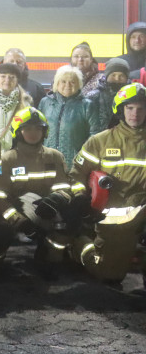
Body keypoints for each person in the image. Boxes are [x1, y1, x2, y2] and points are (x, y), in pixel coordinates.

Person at [70, 83, 146, 287]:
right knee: (109, 275)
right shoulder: (100, 141)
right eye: (130, 108)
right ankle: (79, 245)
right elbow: (76, 174)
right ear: (120, 110)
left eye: (141, 108)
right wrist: (80, 198)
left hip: (142, 210)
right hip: (114, 216)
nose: (135, 114)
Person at [0, 107, 73, 276]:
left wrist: (56, 199)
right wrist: (19, 221)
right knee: (2, 231)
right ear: (18, 132)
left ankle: (49, 258)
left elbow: (64, 186)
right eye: (27, 129)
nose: (33, 133)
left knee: (64, 222)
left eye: (38, 129)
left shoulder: (55, 157)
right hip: (13, 209)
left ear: (44, 132)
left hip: (46, 207)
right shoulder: (7, 159)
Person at [40, 65, 100, 170]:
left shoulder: (87, 105)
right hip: (46, 161)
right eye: (63, 81)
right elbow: (38, 130)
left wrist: (83, 157)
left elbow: (95, 135)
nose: (67, 85)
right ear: (56, 83)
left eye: (72, 82)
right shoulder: (45, 102)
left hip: (75, 163)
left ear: (79, 84)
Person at [0, 62, 33, 151]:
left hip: (17, 152)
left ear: (17, 80)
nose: (7, 80)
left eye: (12, 77)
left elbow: (28, 129)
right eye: (3, 76)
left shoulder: (24, 102)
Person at [90, 59, 130, 131]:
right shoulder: (94, 96)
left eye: (121, 76)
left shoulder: (134, 96)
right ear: (107, 76)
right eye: (113, 75)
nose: (117, 79)